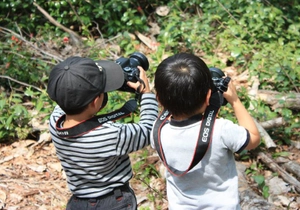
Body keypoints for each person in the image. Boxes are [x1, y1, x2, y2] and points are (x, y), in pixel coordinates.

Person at [151, 52, 261, 209]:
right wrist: (235, 101)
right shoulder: (221, 130)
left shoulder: (158, 131)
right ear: (208, 96)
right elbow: (254, 139)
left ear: (159, 99)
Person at [47, 56, 158, 210]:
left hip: (78, 203)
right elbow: (148, 130)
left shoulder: (55, 122)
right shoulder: (111, 135)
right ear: (95, 102)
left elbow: (69, 94)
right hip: (114, 202)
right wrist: (146, 93)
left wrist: (85, 79)